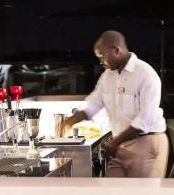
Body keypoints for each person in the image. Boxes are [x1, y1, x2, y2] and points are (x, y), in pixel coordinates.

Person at [62, 31, 168, 178]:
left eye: (102, 56)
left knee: (141, 192)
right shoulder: (107, 76)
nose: (100, 61)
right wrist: (69, 121)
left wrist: (115, 143)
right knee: (113, 190)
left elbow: (144, 119)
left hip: (146, 142)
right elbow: (94, 104)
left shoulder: (145, 73)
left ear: (117, 50)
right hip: (119, 144)